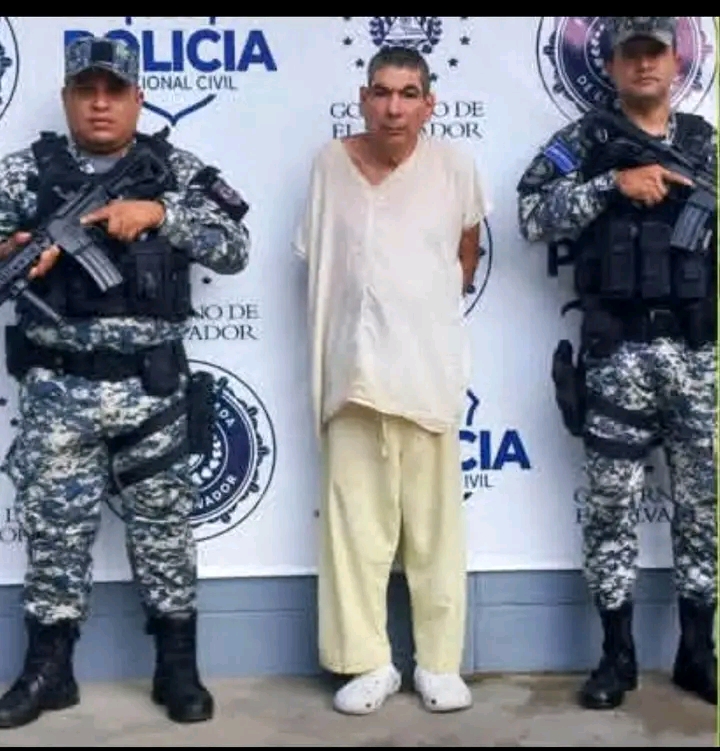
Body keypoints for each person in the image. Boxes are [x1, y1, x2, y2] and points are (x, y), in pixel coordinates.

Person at [0, 35, 251, 728]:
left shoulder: (173, 169)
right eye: (87, 91)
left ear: (139, 97)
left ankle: (177, 666)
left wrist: (161, 214)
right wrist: (13, 248)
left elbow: (235, 247)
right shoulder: (23, 175)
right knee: (54, 531)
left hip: (152, 388)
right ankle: (49, 670)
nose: (100, 103)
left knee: (164, 528)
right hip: (58, 390)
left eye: (114, 90)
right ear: (66, 98)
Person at [516, 17, 716, 710]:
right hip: (617, 353)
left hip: (699, 355)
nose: (644, 65)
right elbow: (532, 213)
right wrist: (611, 186)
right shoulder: (585, 142)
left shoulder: (706, 145)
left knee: (705, 511)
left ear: (676, 62)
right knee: (610, 510)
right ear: (611, 65)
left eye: (655, 53)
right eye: (630, 54)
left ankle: (698, 653)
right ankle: (616, 657)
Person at [293, 45, 489, 715]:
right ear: (363, 98)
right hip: (349, 376)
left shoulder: (455, 166)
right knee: (354, 533)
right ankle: (367, 662)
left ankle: (438, 664)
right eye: (382, 92)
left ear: (429, 103)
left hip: (428, 374)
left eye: (409, 94)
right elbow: (317, 257)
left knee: (436, 533)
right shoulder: (329, 165)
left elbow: (467, 251)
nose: (394, 107)